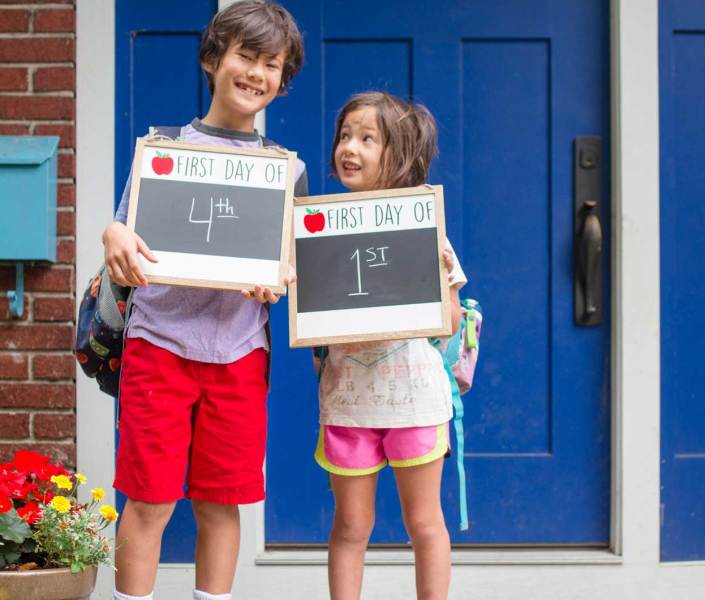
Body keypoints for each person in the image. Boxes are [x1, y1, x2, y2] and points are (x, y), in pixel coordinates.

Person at [102, 3, 306, 599]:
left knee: (222, 502)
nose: (257, 73)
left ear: (282, 80)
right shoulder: (164, 147)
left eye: (273, 65)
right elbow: (125, 228)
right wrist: (111, 236)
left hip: (240, 353)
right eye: (247, 56)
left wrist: (279, 279)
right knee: (149, 499)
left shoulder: (285, 172)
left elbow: (288, 264)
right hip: (158, 345)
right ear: (214, 59)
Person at [314, 91, 465, 600]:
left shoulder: (428, 231)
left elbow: (448, 320)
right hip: (349, 404)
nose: (348, 147)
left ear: (397, 156)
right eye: (344, 136)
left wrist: (429, 284)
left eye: (366, 138)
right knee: (350, 527)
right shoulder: (319, 231)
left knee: (424, 524)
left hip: (417, 403)